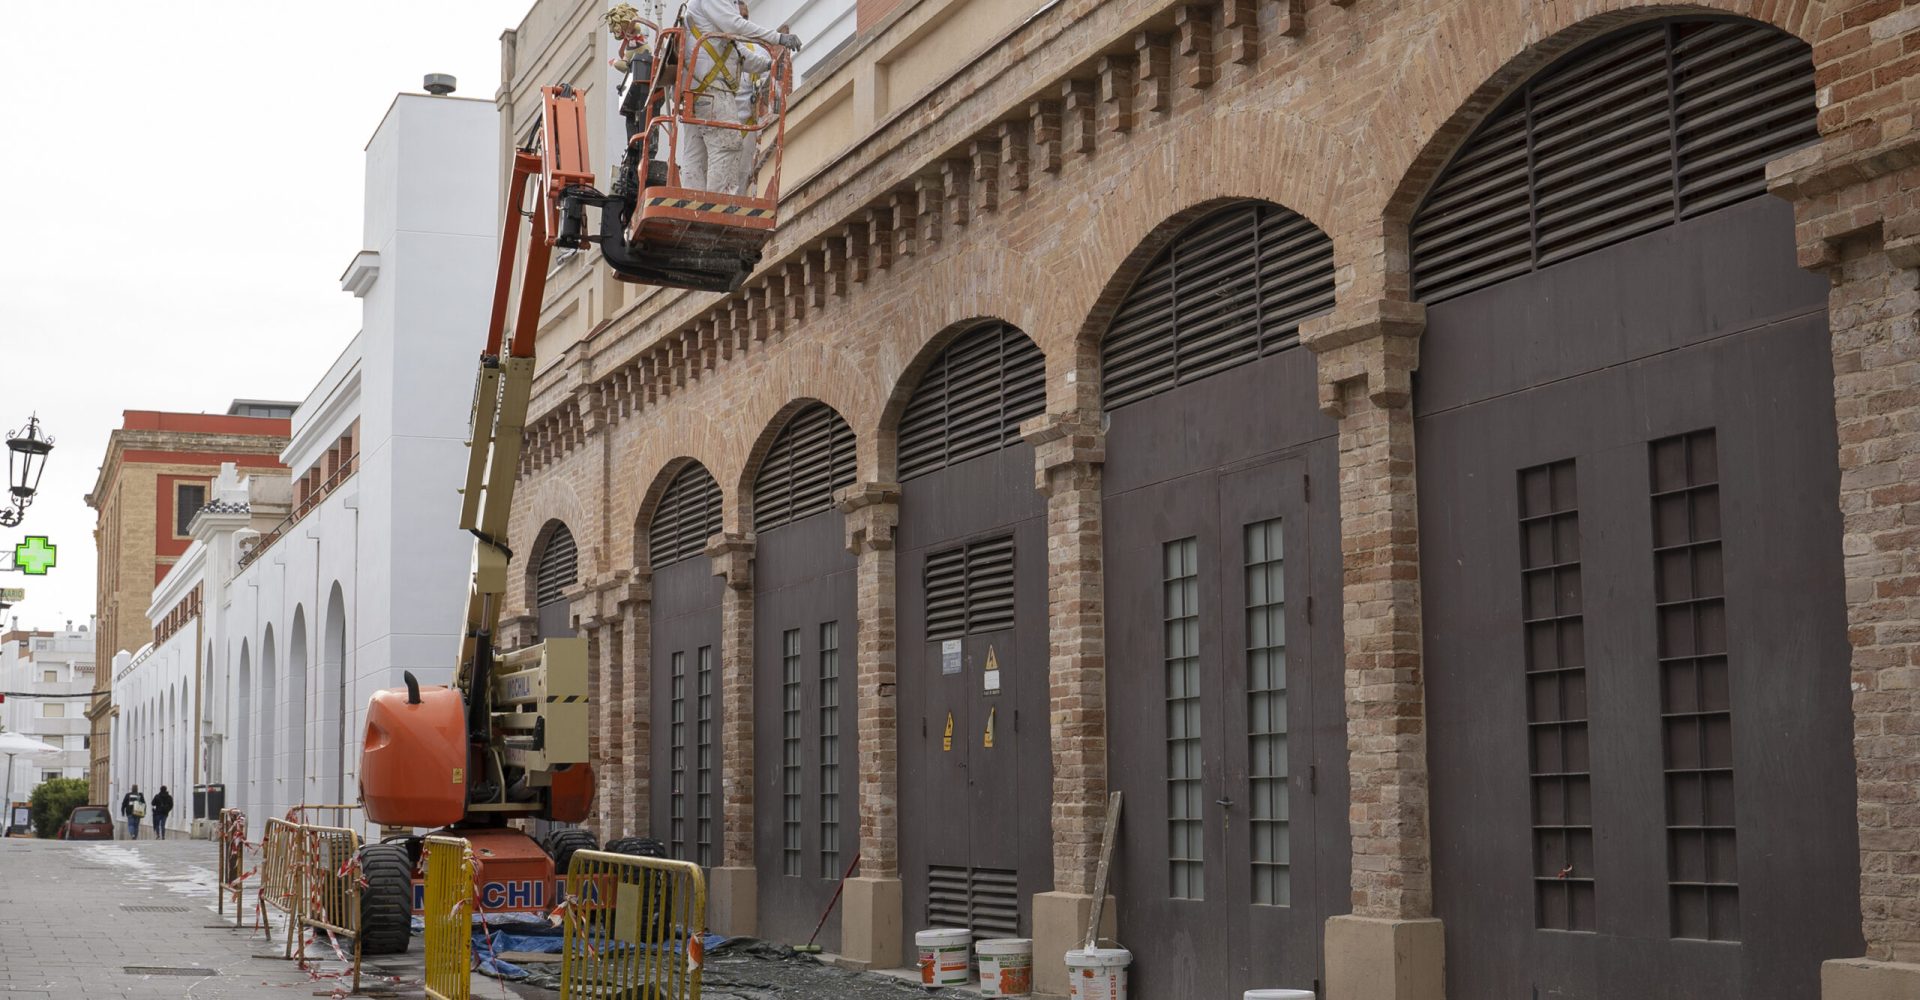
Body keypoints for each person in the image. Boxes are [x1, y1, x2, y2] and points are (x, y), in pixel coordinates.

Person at [676, 0, 799, 193]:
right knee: (728, 145)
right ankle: (718, 204)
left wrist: (769, 64)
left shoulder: (715, 18)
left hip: (698, 90)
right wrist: (778, 38)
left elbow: (739, 55)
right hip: (711, 89)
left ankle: (693, 201)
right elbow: (735, 24)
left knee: (697, 152)